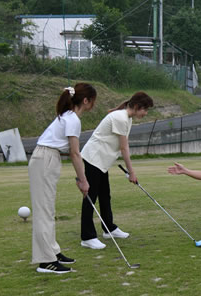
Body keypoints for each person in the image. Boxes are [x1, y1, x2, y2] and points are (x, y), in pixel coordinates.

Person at [29, 83, 97, 274]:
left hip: (48, 158)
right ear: (86, 101)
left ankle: (53, 252)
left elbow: (71, 152)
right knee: (44, 211)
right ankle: (46, 261)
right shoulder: (73, 119)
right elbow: (75, 154)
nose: (93, 105)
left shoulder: (68, 117)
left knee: (48, 209)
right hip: (44, 159)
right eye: (93, 101)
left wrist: (81, 177)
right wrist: (83, 181)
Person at [79, 91, 154, 249]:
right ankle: (87, 237)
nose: (145, 113)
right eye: (144, 109)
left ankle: (109, 229)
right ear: (136, 106)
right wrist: (131, 172)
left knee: (105, 195)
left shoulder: (127, 118)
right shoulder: (120, 118)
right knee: (90, 197)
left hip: (102, 161)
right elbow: (123, 147)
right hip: (94, 158)